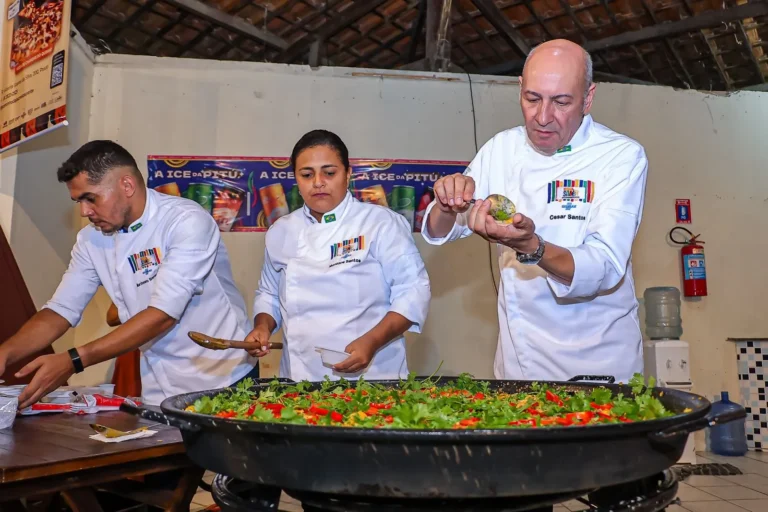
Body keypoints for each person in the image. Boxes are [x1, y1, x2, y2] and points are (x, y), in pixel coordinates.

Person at [423, 39, 648, 385]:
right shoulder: (503, 149)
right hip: (521, 363)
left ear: (588, 98)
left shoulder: (621, 157)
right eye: (532, 99)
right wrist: (446, 202)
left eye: (561, 102)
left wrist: (532, 247)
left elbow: (604, 266)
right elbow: (442, 231)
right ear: (520, 91)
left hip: (599, 362)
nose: (543, 117)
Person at [0, 141, 257, 407]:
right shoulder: (91, 239)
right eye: (78, 201)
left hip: (223, 378)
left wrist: (75, 360)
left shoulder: (184, 221)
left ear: (126, 186)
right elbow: (61, 310)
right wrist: (6, 353)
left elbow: (162, 315)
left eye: (91, 198)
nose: (84, 211)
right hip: (159, 383)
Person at [246, 129, 430, 380]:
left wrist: (373, 341)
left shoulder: (380, 223)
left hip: (372, 375)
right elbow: (268, 294)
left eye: (329, 172)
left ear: (348, 174)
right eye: (307, 174)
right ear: (296, 179)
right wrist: (262, 326)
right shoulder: (281, 231)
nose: (318, 182)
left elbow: (413, 291)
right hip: (300, 378)